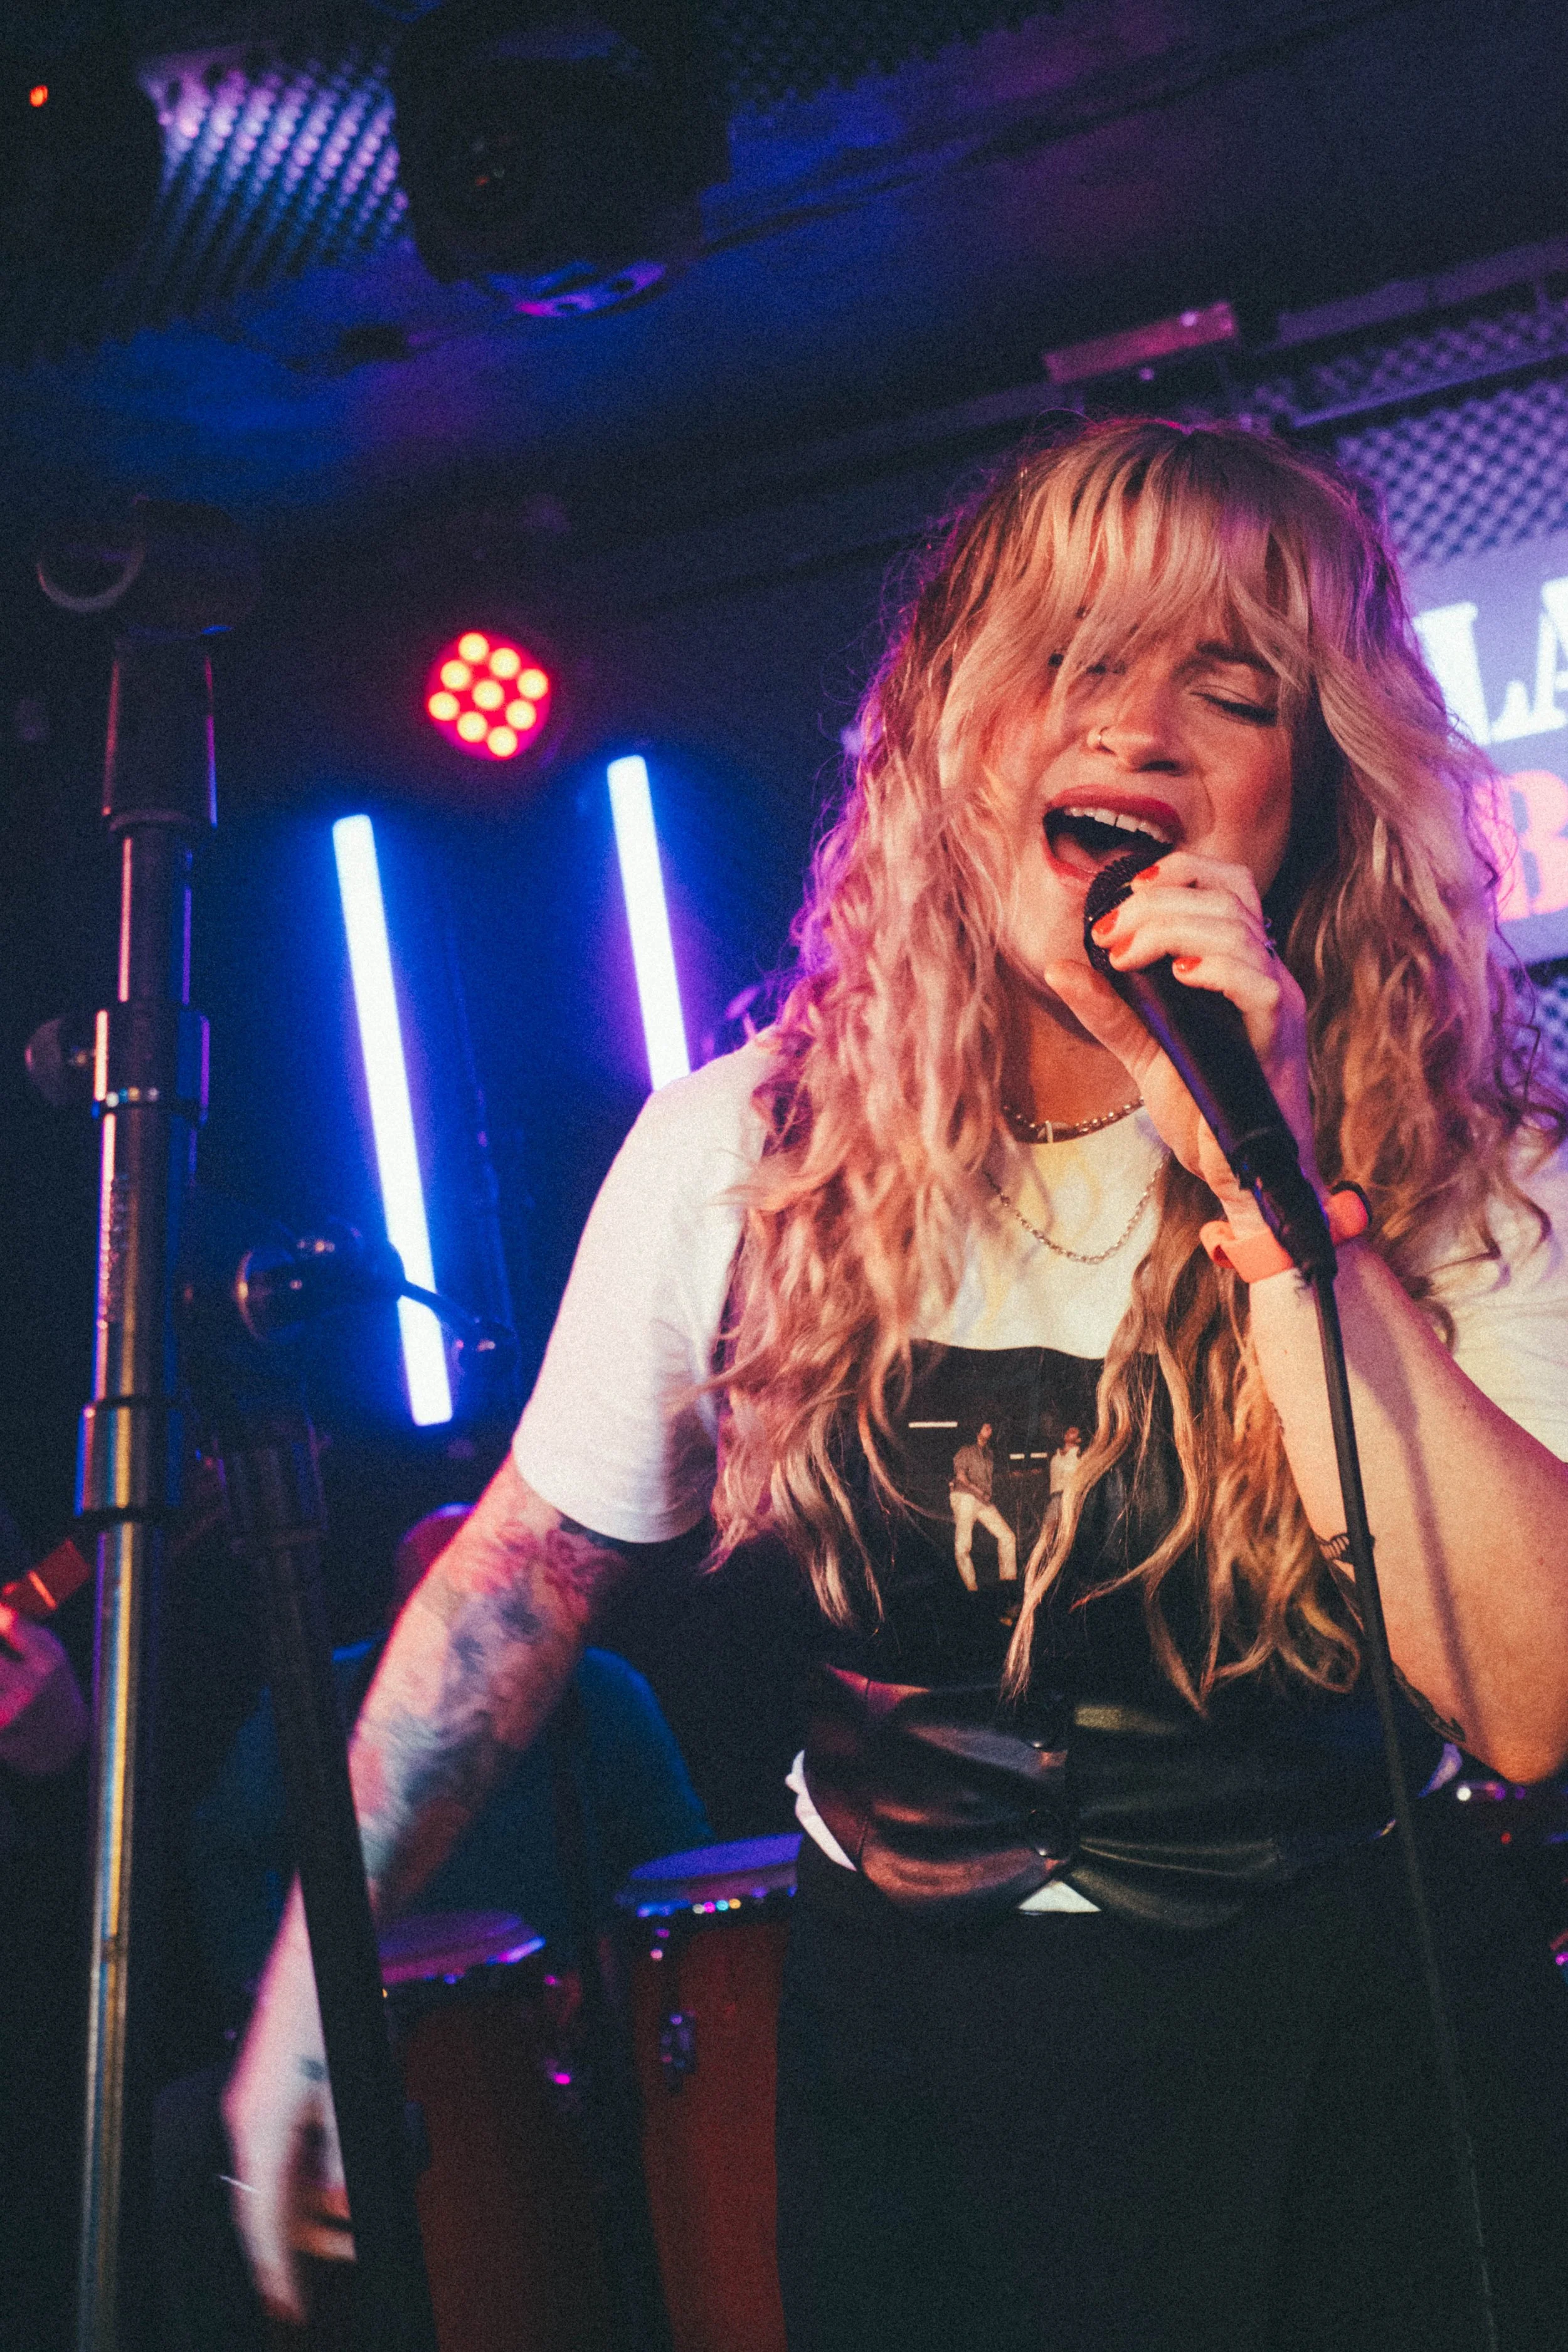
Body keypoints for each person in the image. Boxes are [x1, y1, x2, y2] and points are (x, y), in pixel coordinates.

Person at [224, 420, 1568, 2351]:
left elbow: (1526, 1703)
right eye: (1077, 658)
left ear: (1315, 790)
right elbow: (520, 1582)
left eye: (1230, 684)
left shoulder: (1468, 1162)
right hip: (916, 2079)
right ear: (951, 728)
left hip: (1337, 2052)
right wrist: (311, 1973)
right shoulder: (741, 1148)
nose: (1138, 729)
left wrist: (1278, 1199)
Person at [948, 1420, 1017, 1588]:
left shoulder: (989, 1454)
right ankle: (971, 1588)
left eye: (991, 1426)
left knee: (1008, 1537)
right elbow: (961, 1477)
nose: (989, 1429)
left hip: (982, 1500)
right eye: (985, 1426)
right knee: (963, 1546)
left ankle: (1008, 1583)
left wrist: (984, 1494)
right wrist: (979, 1492)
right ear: (976, 1430)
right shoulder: (966, 1451)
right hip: (965, 1497)